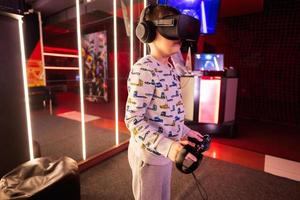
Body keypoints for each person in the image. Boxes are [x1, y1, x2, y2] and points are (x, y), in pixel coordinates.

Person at [125, 4, 203, 200]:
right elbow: (133, 120)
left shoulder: (169, 67)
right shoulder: (143, 69)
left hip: (168, 151)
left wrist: (184, 131)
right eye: (171, 27)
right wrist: (167, 146)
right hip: (150, 155)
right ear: (148, 32)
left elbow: (169, 110)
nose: (178, 35)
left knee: (163, 196)